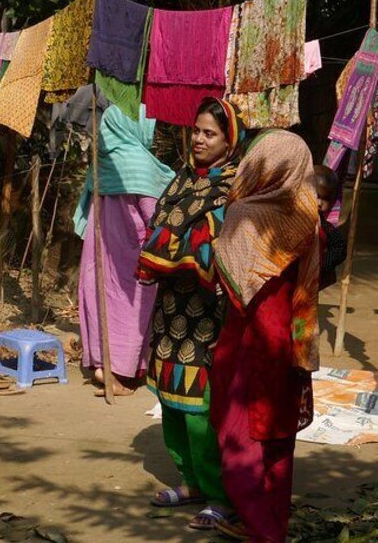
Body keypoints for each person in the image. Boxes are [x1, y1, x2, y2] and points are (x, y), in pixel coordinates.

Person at [137, 98, 245, 530]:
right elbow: (160, 228)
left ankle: (220, 493)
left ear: (229, 139)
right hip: (170, 309)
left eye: (210, 134)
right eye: (197, 131)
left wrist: (184, 250)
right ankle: (191, 482)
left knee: (201, 409)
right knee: (171, 400)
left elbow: (224, 243)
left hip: (206, 314)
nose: (199, 140)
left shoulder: (236, 187)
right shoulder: (182, 179)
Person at [211, 130, 321, 542]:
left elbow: (223, 280)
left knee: (238, 439)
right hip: (290, 339)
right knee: (278, 440)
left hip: (247, 340)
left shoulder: (243, 215)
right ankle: (274, 525)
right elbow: (308, 286)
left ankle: (264, 532)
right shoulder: (307, 216)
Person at [73, 103, 174, 395]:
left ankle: (101, 364)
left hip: (99, 254)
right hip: (132, 256)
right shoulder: (138, 162)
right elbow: (152, 215)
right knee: (130, 310)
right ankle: (120, 374)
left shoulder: (102, 161)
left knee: (101, 302)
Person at [314, 164, 347, 290]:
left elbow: (340, 247)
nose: (319, 203)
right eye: (316, 195)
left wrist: (322, 264)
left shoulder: (325, 226)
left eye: (325, 199)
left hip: (314, 278)